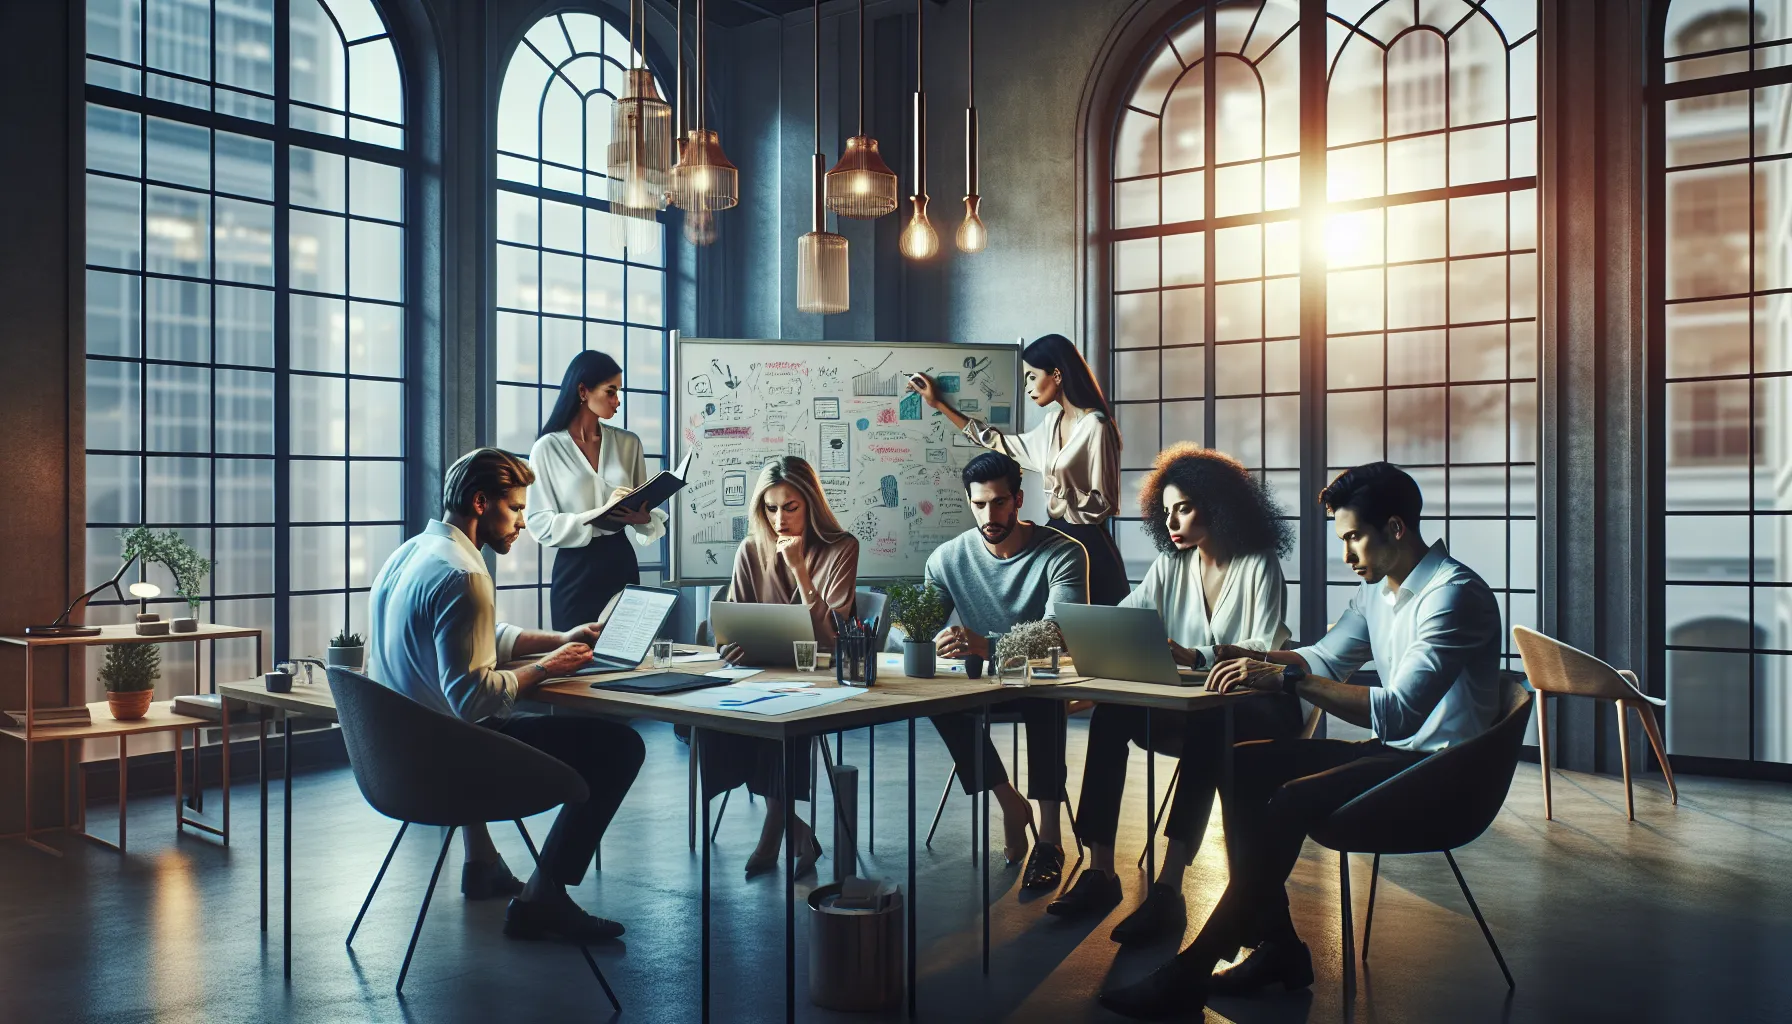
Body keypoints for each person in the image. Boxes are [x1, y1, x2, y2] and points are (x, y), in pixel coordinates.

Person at [1099, 462, 1506, 1019]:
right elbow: (1324, 657)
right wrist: (1238, 658)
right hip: (1395, 757)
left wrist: (1288, 678)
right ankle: (1280, 949)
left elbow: (1400, 713)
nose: (1346, 555)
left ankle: (1192, 970)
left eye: (1354, 537)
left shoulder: (1452, 595)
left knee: (1289, 799)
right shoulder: (1379, 592)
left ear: (1395, 528)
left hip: (1442, 771)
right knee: (1242, 767)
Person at [367, 447, 647, 943]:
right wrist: (545, 668)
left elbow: (477, 636)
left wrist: (559, 639)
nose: (522, 522)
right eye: (516, 508)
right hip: (446, 767)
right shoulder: (466, 575)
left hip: (392, 759)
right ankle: (544, 897)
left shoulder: (411, 554)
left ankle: (483, 864)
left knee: (477, 724)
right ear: (481, 503)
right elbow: (474, 701)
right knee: (621, 747)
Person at [1046, 445, 1303, 945]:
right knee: (1111, 716)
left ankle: (1169, 889)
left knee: (1212, 725)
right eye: (1164, 512)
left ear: (1218, 503)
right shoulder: (1171, 567)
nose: (1171, 522)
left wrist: (1195, 656)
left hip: (1256, 708)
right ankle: (1100, 872)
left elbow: (1268, 643)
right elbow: (1124, 617)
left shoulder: (1259, 563)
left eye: (1183, 508)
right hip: (1187, 707)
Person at [925, 451, 1088, 892]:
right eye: (979, 504)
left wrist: (989, 645)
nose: (989, 514)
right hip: (980, 683)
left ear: (1018, 500)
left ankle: (1050, 840)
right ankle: (1008, 800)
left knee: (1041, 689)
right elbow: (918, 629)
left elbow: (1061, 634)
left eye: (999, 503)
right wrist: (931, 641)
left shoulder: (1063, 553)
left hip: (1043, 678)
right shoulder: (945, 559)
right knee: (931, 697)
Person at [704, 457, 860, 879]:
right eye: (770, 508)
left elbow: (832, 637)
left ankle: (773, 829)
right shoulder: (751, 548)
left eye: (790, 507)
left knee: (784, 718)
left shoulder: (842, 546)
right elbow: (731, 624)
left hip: (819, 678)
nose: (779, 519)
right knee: (701, 722)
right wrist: (730, 647)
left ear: (811, 504)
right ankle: (794, 828)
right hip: (760, 673)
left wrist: (800, 571)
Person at [909, 333, 1128, 605]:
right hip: (1055, 538)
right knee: (1050, 633)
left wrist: (1064, 493)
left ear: (1057, 375)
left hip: (1089, 543)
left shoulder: (1096, 426)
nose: (1027, 386)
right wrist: (939, 404)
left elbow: (1106, 502)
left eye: (1032, 377)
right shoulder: (1051, 423)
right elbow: (998, 442)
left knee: (1092, 636)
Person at [527, 350, 666, 632]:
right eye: (611, 391)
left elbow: (645, 504)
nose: (618, 401)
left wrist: (644, 519)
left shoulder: (629, 444)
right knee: (574, 658)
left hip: (620, 561)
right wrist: (598, 514)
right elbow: (539, 522)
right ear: (582, 391)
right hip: (574, 567)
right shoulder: (547, 448)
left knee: (624, 651)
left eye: (619, 391)